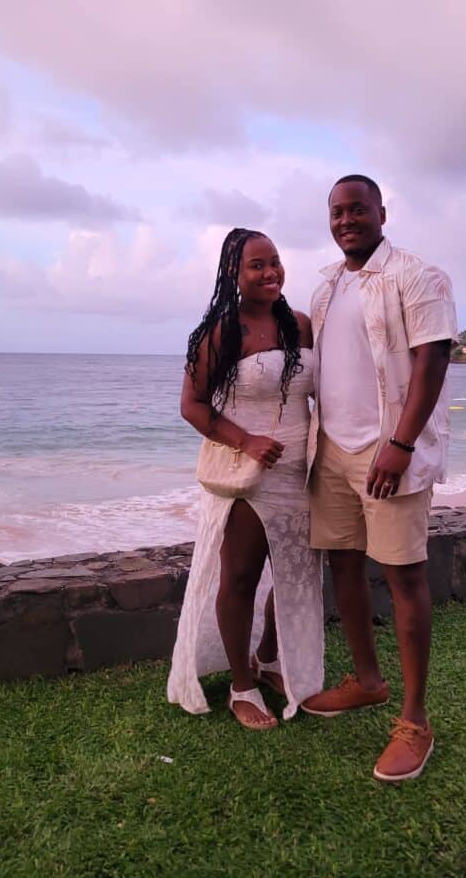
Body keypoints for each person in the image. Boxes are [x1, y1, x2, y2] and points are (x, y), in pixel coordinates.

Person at [301, 175, 455, 782]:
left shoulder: (418, 276)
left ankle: (416, 721)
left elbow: (432, 360)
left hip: (389, 450)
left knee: (403, 577)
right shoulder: (326, 288)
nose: (346, 220)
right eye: (337, 212)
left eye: (357, 209)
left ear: (381, 213)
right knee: (343, 566)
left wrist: (400, 444)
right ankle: (368, 682)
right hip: (331, 450)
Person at [167, 228, 324, 730]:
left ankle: (271, 656)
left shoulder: (300, 325)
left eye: (275, 261)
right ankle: (242, 684)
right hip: (249, 476)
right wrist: (246, 441)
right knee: (240, 578)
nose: (271, 272)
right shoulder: (221, 332)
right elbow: (192, 405)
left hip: (303, 469)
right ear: (233, 274)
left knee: (297, 572)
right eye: (257, 265)